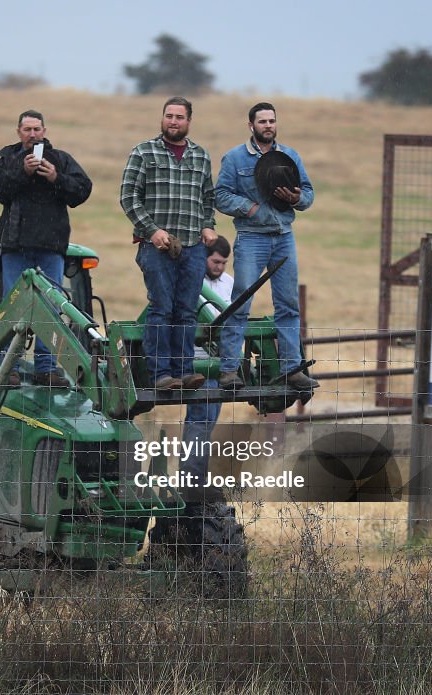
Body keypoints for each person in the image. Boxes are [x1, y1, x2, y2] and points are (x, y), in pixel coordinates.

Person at [215, 102, 318, 391]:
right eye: (262, 121)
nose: (268, 125)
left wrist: (296, 198)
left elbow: (308, 195)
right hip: (251, 238)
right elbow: (220, 195)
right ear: (251, 125)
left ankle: (291, 368)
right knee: (241, 302)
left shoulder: (289, 156)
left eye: (272, 120)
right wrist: (248, 208)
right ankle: (228, 370)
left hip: (284, 236)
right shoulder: (235, 158)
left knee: (288, 304)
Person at [0, 109, 92, 387]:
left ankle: (46, 368)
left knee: (49, 307)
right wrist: (22, 172)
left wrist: (56, 177)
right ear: (18, 132)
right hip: (15, 244)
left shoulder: (61, 160)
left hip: (51, 246)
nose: (32, 134)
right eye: (27, 129)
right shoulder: (7, 159)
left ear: (44, 131)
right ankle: (7, 368)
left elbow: (82, 192)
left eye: (36, 129)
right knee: (13, 306)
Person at [120, 97, 216, 392]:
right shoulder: (143, 152)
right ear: (162, 119)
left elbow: (208, 199)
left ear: (189, 121)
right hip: (156, 247)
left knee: (187, 310)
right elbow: (128, 197)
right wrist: (151, 231)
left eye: (179, 117)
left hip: (192, 247)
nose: (173, 121)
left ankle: (185, 371)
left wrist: (208, 225)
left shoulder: (201, 156)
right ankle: (161, 374)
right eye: (169, 116)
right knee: (161, 308)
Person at [182, 235, 233, 481]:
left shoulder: (229, 284)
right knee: (199, 419)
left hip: (220, 363)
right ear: (204, 257)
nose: (219, 267)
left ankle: (196, 475)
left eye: (224, 263)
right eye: (215, 261)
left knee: (209, 421)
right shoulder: (190, 280)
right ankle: (191, 477)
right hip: (198, 362)